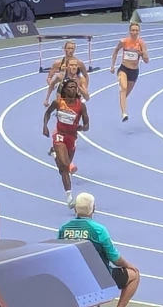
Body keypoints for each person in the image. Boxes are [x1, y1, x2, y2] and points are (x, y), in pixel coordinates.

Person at [58, 192, 140, 307]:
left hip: (73, 279)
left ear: (75, 209)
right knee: (134, 275)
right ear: (93, 209)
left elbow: (59, 254)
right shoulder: (99, 230)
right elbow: (115, 258)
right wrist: (128, 264)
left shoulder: (64, 228)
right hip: (99, 278)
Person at [43, 78, 90, 208]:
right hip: (59, 135)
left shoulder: (81, 106)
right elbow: (47, 113)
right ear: (64, 89)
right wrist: (45, 126)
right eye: (70, 87)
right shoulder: (58, 103)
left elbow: (87, 125)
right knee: (65, 164)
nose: (73, 89)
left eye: (75, 87)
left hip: (72, 137)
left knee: (64, 169)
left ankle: (54, 154)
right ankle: (69, 198)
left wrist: (82, 127)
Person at [110, 23, 149, 122]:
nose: (135, 32)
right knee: (123, 88)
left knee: (125, 94)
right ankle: (124, 113)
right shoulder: (124, 41)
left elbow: (147, 60)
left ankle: (122, 103)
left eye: (137, 30)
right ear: (130, 31)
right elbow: (115, 51)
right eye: (133, 30)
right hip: (124, 68)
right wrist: (112, 66)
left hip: (134, 71)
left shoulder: (141, 43)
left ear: (139, 32)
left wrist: (141, 54)